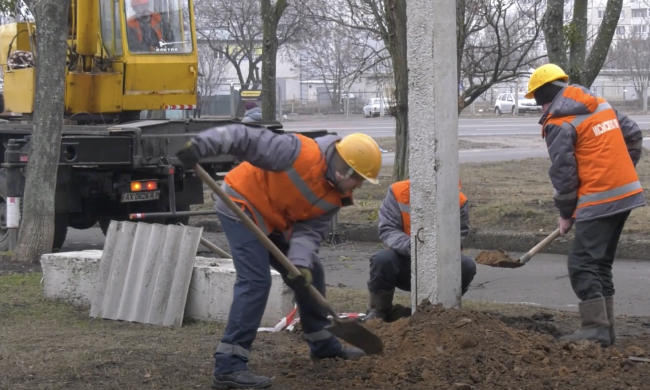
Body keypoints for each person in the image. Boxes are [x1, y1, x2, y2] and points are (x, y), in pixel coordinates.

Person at [175, 124, 383, 389]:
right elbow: (243, 137)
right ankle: (229, 367)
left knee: (312, 272)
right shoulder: (297, 152)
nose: (361, 185)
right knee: (255, 282)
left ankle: (322, 345)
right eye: (360, 178)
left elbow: (308, 232)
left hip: (273, 221)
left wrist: (298, 266)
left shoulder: (336, 196)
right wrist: (202, 145)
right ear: (345, 170)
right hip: (241, 205)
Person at [525, 63, 645, 347]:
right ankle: (606, 330)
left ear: (544, 98)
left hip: (600, 197)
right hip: (625, 194)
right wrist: (620, 170)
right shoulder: (599, 104)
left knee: (581, 263)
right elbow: (634, 135)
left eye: (538, 103)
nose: (539, 110)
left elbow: (563, 174)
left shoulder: (557, 122)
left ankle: (595, 329)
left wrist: (566, 213)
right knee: (600, 264)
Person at [363, 179, 477, 322]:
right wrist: (414, 247)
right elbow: (388, 230)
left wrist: (436, 250)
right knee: (382, 260)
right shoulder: (398, 192)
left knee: (466, 266)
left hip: (438, 261)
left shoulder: (459, 200)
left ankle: (447, 310)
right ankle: (379, 310)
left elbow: (458, 235)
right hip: (403, 258)